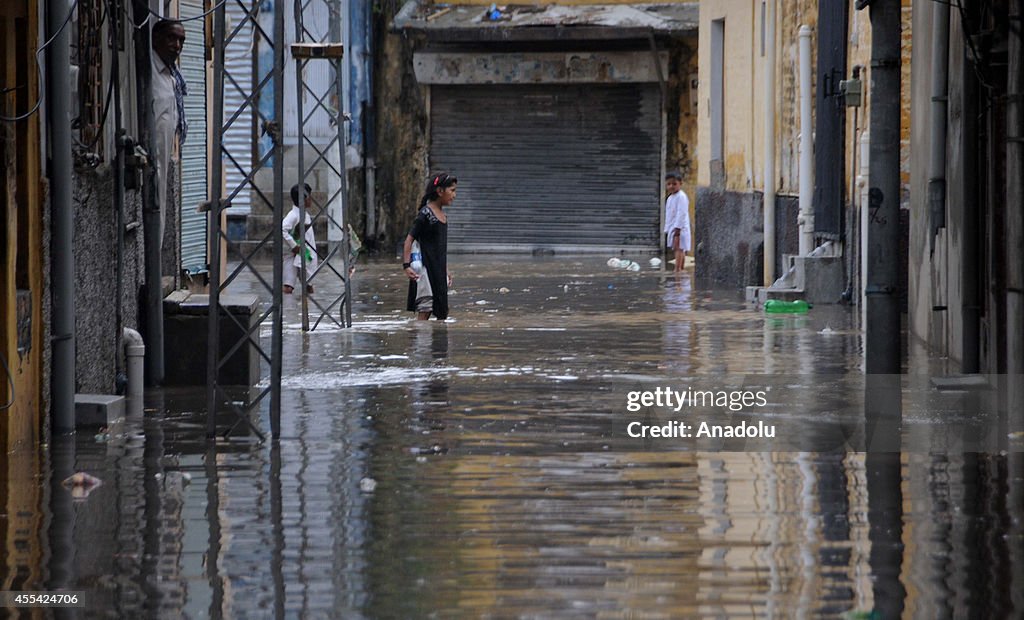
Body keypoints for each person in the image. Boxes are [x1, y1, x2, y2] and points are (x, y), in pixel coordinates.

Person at [151, 19, 188, 243]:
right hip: (150, 157)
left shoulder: (171, 75)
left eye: (181, 40)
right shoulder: (149, 71)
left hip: (163, 157)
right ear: (155, 39)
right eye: (171, 38)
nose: (177, 45)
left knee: (160, 206)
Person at [403, 172, 457, 320]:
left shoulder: (442, 215)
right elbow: (409, 240)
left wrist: (446, 270)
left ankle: (438, 342)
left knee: (442, 311)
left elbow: (440, 248)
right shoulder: (425, 214)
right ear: (440, 191)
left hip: (438, 270)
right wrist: (407, 266)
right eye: (452, 190)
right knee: (425, 308)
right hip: (425, 270)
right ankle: (419, 341)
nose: (454, 195)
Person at [282, 183, 319, 294]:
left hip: (304, 254)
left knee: (308, 286)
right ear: (305, 199)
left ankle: (302, 308)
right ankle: (288, 309)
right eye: (309, 197)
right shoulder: (293, 215)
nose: (311, 199)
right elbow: (282, 229)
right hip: (293, 254)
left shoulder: (304, 214)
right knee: (288, 287)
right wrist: (293, 246)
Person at [663, 170, 691, 274]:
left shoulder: (681, 197)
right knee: (678, 248)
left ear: (680, 183)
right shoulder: (670, 198)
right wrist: (667, 229)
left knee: (679, 248)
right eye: (669, 184)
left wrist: (678, 229)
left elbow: (681, 213)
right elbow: (669, 215)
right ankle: (681, 269)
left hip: (680, 228)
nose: (671, 186)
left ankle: (678, 268)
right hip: (673, 228)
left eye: (674, 184)